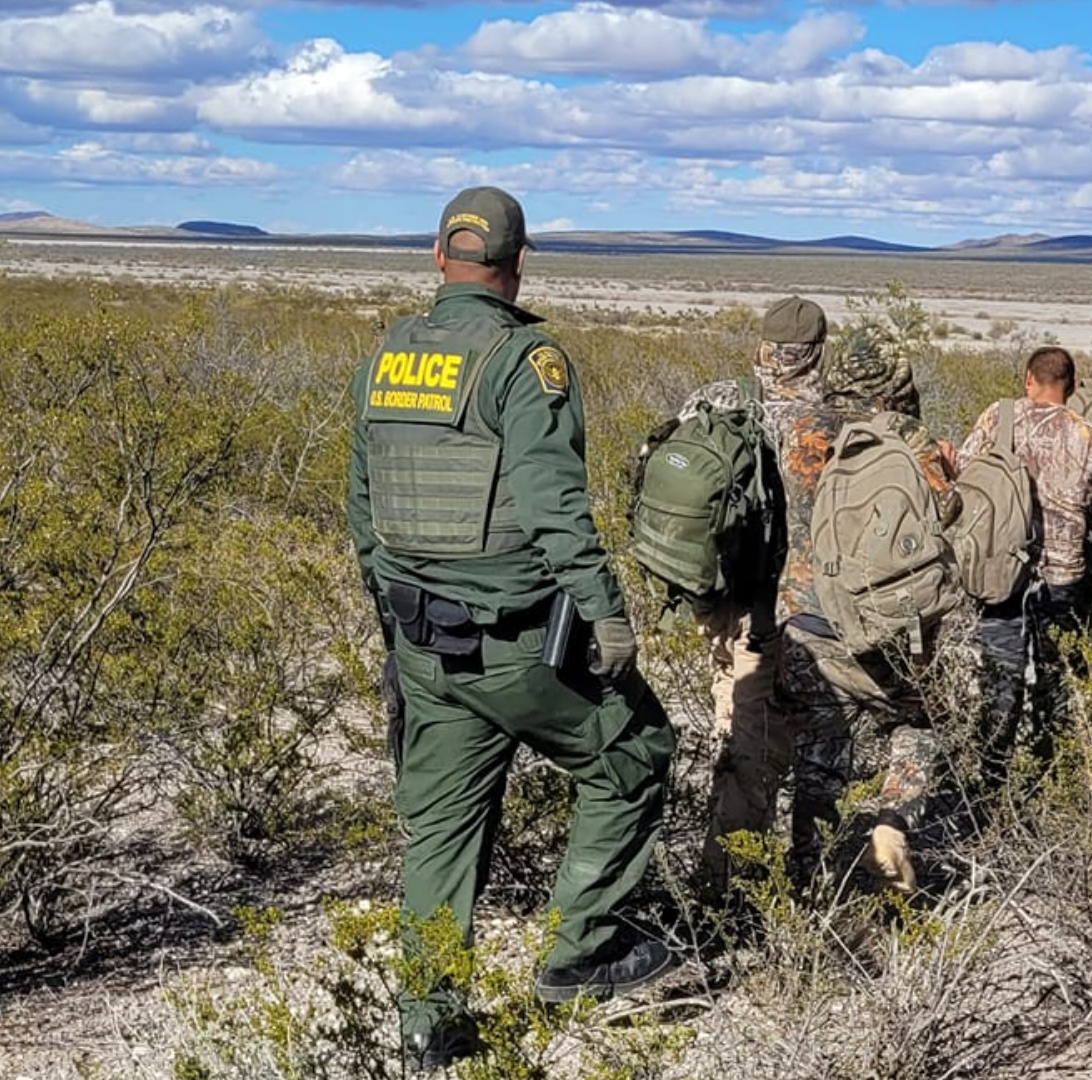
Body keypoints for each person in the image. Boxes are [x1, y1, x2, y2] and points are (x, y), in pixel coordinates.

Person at [346, 187, 675, 1071]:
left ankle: (426, 1025)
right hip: (521, 643)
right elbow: (554, 505)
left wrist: (396, 629)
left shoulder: (387, 356)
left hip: (425, 645)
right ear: (519, 262)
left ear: (436, 257)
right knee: (635, 752)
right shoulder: (523, 360)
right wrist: (605, 612)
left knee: (442, 831)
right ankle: (582, 952)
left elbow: (362, 511)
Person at [773, 330, 960, 893]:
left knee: (818, 752)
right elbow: (942, 518)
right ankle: (892, 822)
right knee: (918, 726)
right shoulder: (908, 436)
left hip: (807, 618)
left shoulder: (802, 430)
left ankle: (808, 880)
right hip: (885, 624)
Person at [662, 296, 828, 898]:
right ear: (815, 353)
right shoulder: (819, 424)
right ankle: (727, 889)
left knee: (731, 717)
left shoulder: (712, 399)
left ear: (763, 346)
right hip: (773, 610)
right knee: (758, 748)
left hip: (715, 600)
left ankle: (727, 856)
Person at [956, 346, 1092, 777]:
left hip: (1000, 571)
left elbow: (963, 471)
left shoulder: (999, 417)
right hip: (1064, 573)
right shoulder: (1087, 433)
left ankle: (992, 773)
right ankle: (1052, 771)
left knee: (999, 675)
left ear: (1028, 378)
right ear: (1071, 384)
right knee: (1059, 674)